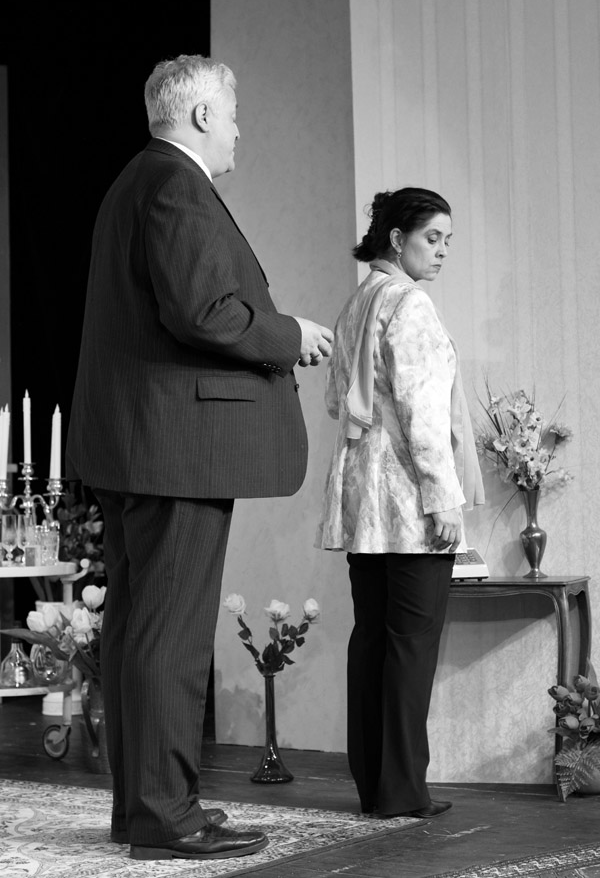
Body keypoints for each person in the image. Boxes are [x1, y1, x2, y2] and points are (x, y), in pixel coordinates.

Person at [66, 53, 333, 862]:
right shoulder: (176, 185)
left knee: (139, 631)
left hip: (141, 446)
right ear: (204, 116)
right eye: (235, 114)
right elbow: (206, 312)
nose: (240, 130)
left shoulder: (137, 181)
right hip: (175, 449)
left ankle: (145, 809)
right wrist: (290, 334)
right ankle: (165, 816)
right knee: (169, 638)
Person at [315, 187, 484, 819]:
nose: (441, 252)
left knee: (372, 640)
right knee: (411, 644)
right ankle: (404, 790)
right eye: (431, 238)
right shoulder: (409, 302)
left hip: (362, 495)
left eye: (447, 241)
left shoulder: (358, 301)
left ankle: (375, 785)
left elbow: (335, 400)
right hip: (408, 498)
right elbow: (423, 412)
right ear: (396, 238)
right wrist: (444, 499)